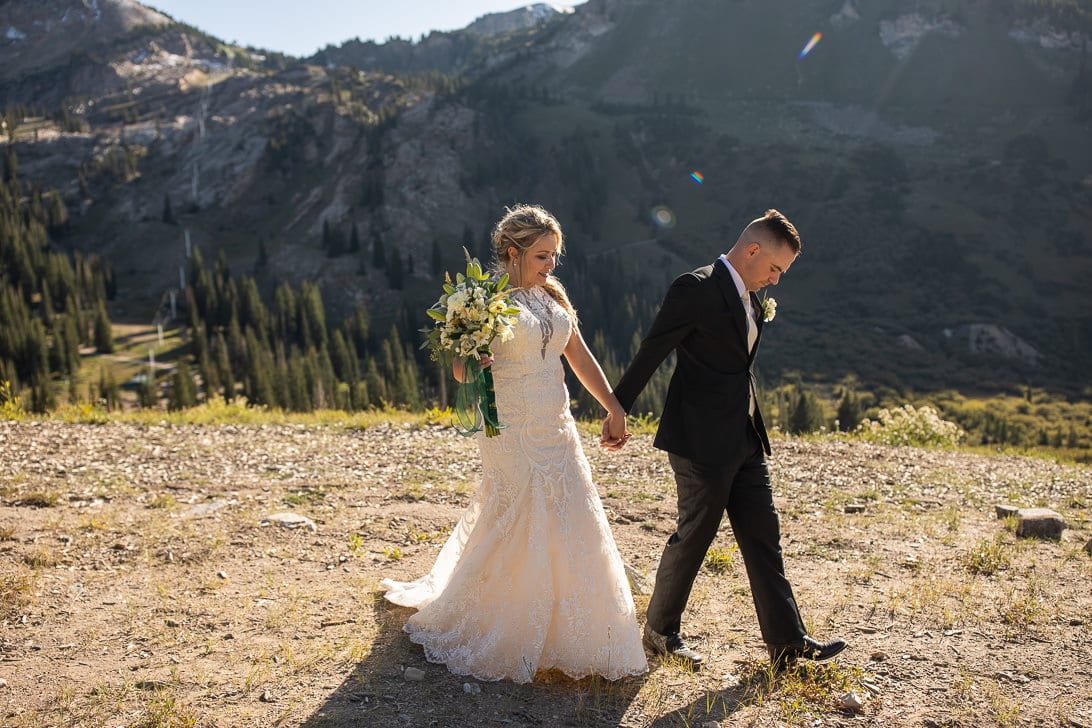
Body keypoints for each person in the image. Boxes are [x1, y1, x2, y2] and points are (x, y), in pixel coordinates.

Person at [381, 204, 647, 684]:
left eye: (554, 256)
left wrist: (613, 405)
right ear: (512, 252)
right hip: (509, 426)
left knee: (572, 511)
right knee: (520, 512)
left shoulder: (553, 298)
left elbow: (579, 356)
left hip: (555, 422)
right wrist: (474, 356)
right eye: (543, 255)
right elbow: (462, 371)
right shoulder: (483, 300)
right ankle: (504, 620)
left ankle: (572, 625)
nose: (551, 265)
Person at [607, 209, 846, 673]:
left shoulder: (751, 296)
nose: (776, 281)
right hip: (699, 439)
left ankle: (787, 642)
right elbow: (653, 348)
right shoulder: (694, 288)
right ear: (752, 250)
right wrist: (618, 407)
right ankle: (660, 631)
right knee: (696, 534)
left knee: (763, 534)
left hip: (745, 436)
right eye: (775, 269)